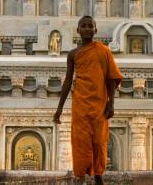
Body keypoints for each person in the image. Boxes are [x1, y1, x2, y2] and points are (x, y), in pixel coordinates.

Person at [53, 16, 123, 185]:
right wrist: (59, 108)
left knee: (99, 141)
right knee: (81, 141)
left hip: (99, 103)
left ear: (95, 30)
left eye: (90, 26)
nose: (87, 29)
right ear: (78, 30)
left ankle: (99, 176)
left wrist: (111, 103)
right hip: (80, 104)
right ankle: (81, 176)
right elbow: (68, 81)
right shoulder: (73, 54)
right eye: (83, 26)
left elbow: (111, 78)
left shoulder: (103, 50)